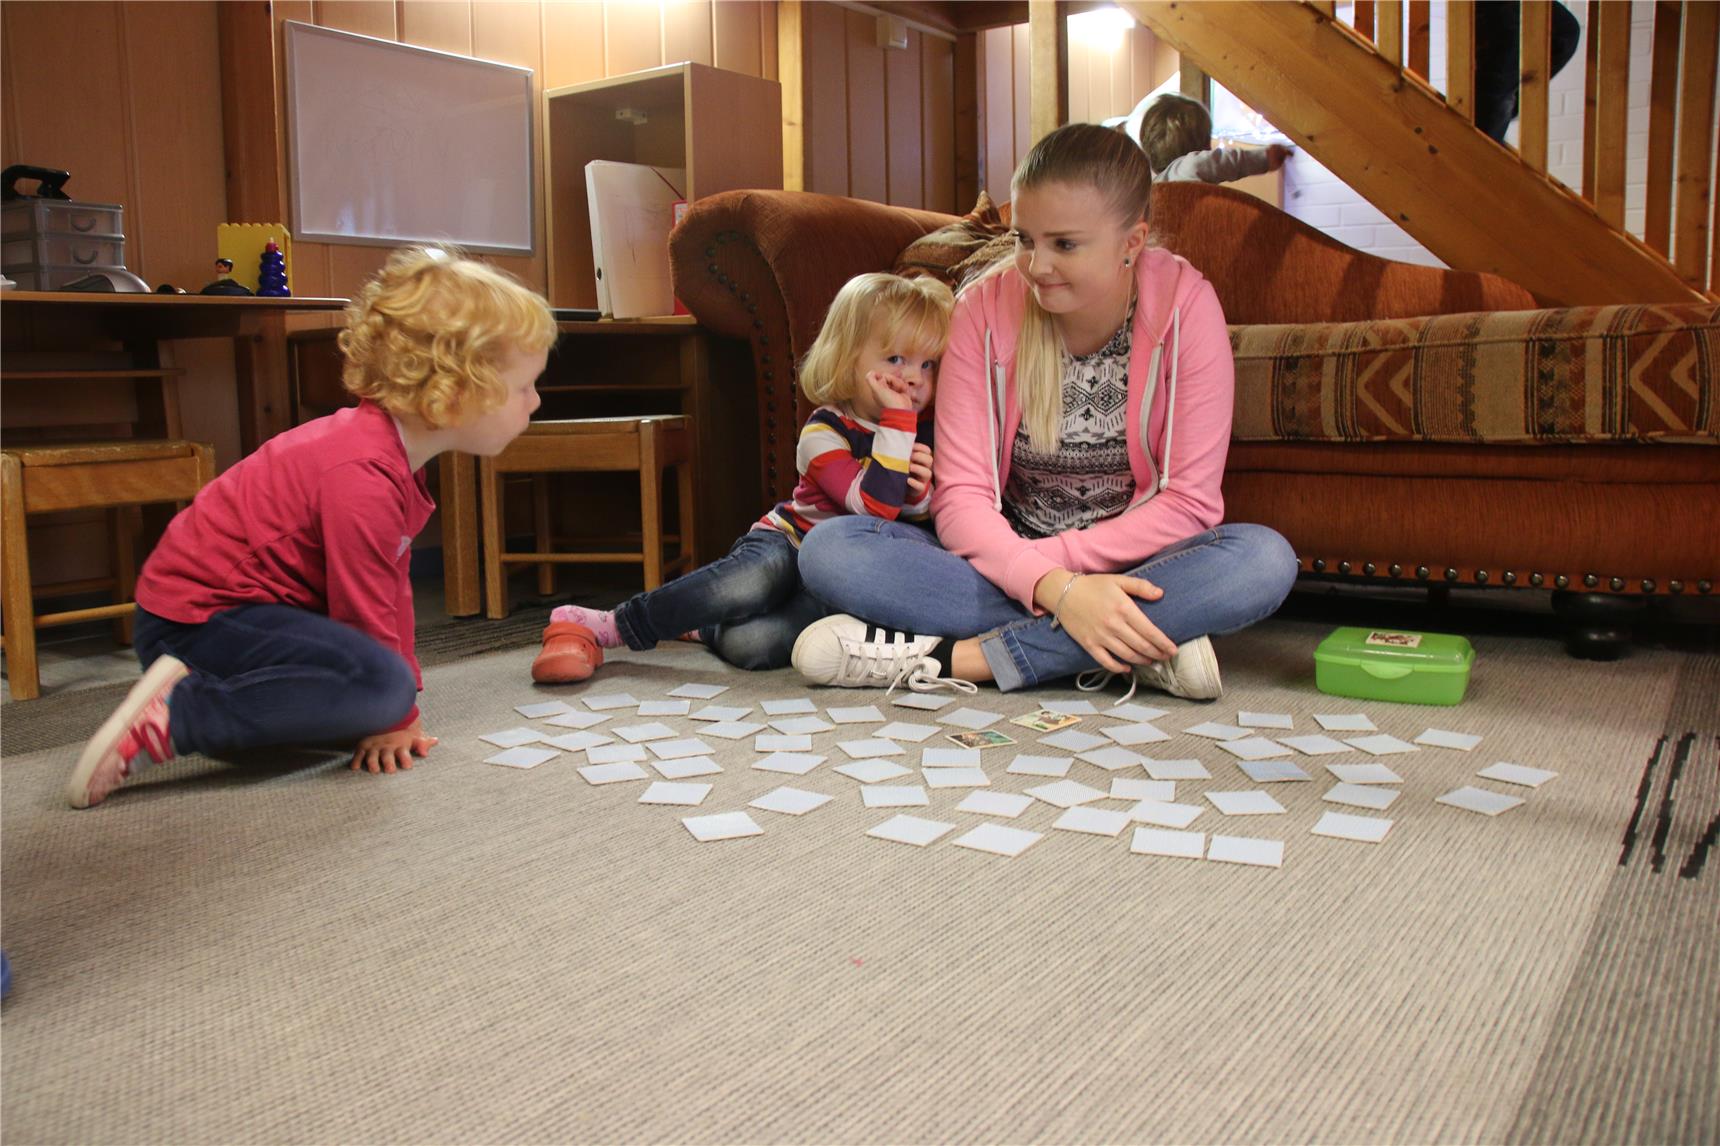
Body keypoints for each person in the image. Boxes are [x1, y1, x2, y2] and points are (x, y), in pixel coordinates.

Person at [790, 123, 1298, 700]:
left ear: (1132, 242)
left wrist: (1062, 575)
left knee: (1262, 559)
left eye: (1065, 244)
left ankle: (966, 658)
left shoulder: (1187, 305)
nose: (1036, 265)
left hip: (1132, 564)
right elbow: (961, 499)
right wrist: (1055, 589)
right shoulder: (982, 308)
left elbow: (1190, 503)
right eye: (1023, 239)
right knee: (833, 551)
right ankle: (1140, 645)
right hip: (1004, 562)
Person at [65, 246, 557, 809]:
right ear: (456, 389)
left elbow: (390, 591)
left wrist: (399, 692)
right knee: (378, 687)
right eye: (524, 387)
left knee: (379, 686)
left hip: (238, 619)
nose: (535, 401)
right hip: (196, 625)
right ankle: (179, 715)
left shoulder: (389, 456)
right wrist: (394, 709)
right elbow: (363, 608)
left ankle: (239, 702)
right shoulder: (362, 473)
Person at [533, 272, 952, 681]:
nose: (914, 378)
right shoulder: (824, 432)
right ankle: (608, 624)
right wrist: (898, 430)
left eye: (927, 364)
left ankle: (702, 621)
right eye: (896, 359)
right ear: (847, 357)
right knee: (750, 584)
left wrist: (920, 496)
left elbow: (899, 520)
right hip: (788, 542)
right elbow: (870, 505)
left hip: (836, 575)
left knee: (754, 645)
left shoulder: (912, 436)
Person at [1135, 92, 1291, 185]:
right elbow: (1206, 163)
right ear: (1202, 146)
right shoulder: (1184, 169)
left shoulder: (1156, 187)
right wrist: (1264, 159)